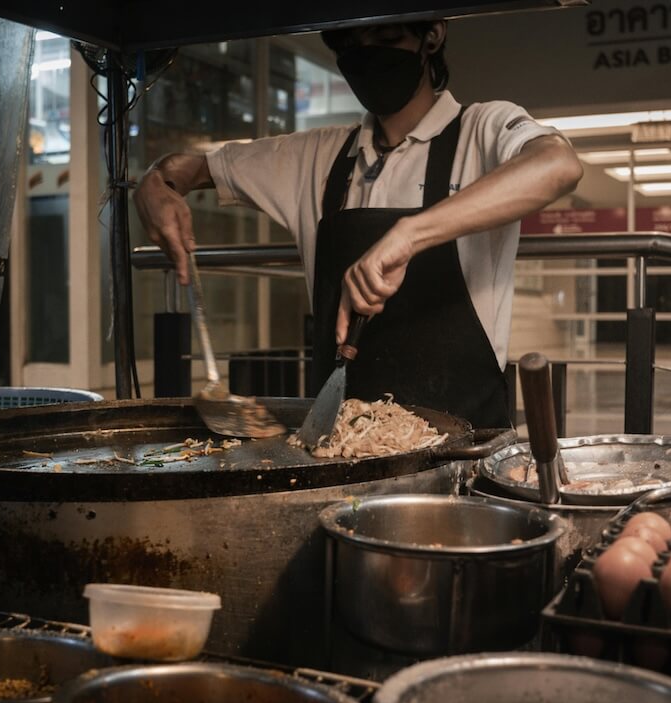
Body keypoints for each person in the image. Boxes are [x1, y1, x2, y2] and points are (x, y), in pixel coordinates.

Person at [133, 20, 583, 429]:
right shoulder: (315, 156)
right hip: (345, 445)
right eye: (352, 45)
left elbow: (557, 165)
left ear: (432, 36)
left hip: (464, 448)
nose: (368, 56)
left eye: (386, 39)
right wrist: (154, 185)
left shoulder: (482, 129)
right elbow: (185, 169)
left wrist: (409, 235)